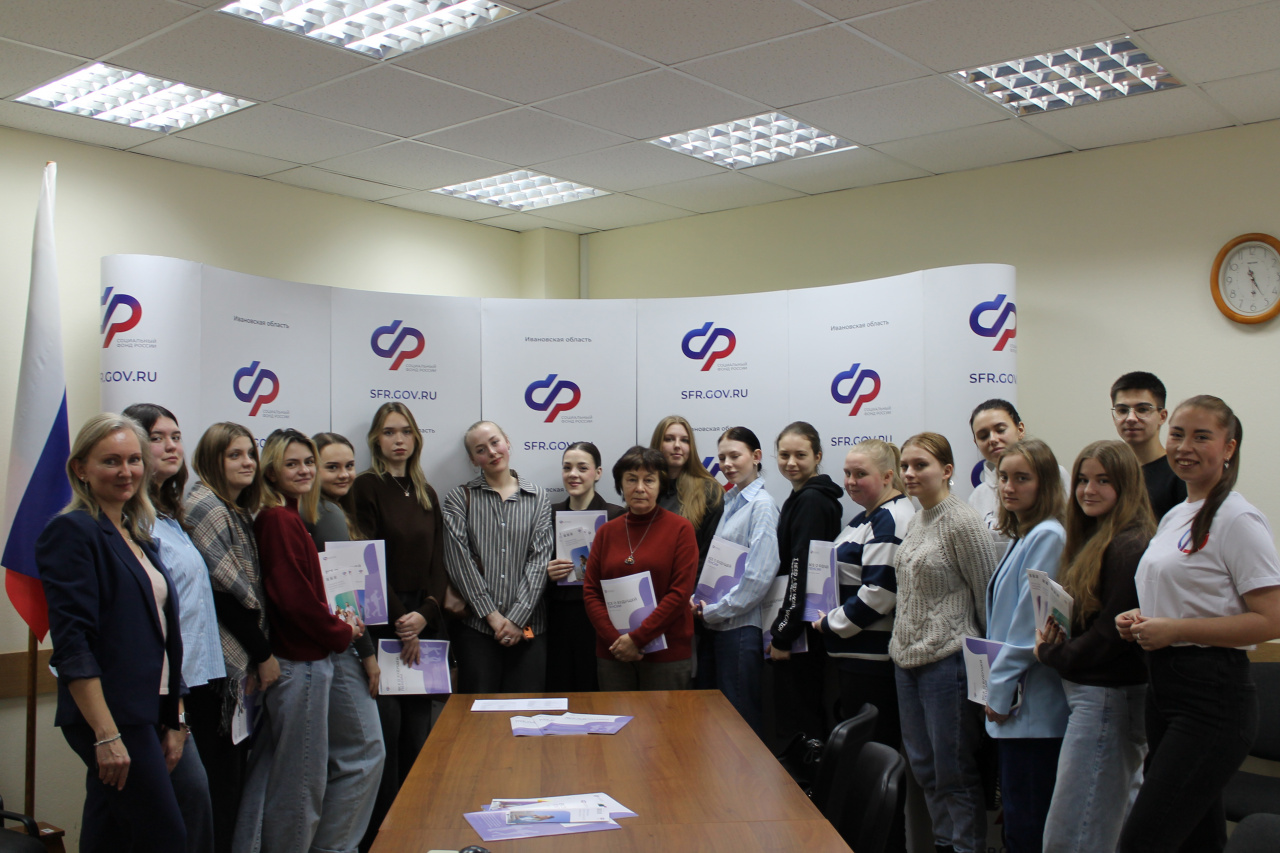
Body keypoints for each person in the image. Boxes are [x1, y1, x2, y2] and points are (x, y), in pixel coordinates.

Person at [1117, 396, 1280, 853]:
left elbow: (1271, 619)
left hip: (1212, 700)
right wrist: (1142, 618)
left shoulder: (1237, 518)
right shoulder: (1176, 514)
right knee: (1195, 842)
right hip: (1165, 689)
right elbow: (1186, 598)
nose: (1184, 446)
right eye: (1178, 434)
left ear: (1229, 448)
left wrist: (1177, 629)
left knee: (1143, 841)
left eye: (1201, 437)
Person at [38, 414, 205, 853]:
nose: (126, 471)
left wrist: (175, 716)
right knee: (164, 836)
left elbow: (164, 634)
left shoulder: (137, 534)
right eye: (110, 461)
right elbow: (73, 645)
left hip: (154, 707)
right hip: (114, 714)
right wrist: (106, 735)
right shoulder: (72, 532)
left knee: (110, 831)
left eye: (134, 460)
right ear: (81, 468)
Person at [238, 429, 378, 853]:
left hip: (310, 659)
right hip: (300, 662)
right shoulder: (278, 520)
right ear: (271, 471)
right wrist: (340, 632)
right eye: (292, 464)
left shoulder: (289, 516)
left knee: (296, 776)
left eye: (308, 463)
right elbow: (293, 599)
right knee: (301, 783)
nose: (304, 471)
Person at [1036, 440, 1155, 853]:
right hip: (1095, 697)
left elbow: (1109, 638)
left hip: (1107, 699)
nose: (1088, 490)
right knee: (1100, 826)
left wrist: (1049, 653)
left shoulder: (1129, 544)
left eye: (1103, 481)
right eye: (1083, 480)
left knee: (1074, 833)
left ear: (1126, 484)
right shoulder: (1098, 536)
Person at [348, 403, 450, 850]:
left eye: (405, 431)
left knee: (419, 732)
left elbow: (439, 560)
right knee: (386, 734)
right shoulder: (366, 487)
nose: (399, 440)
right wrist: (400, 620)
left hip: (423, 621)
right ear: (376, 439)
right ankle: (383, 836)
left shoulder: (426, 491)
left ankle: (417, 826)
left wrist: (426, 613)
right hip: (383, 622)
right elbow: (366, 558)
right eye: (389, 432)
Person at [891, 432, 997, 853]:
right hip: (906, 661)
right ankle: (943, 843)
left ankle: (966, 846)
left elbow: (987, 597)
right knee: (924, 769)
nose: (910, 473)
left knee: (953, 770)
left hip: (949, 661)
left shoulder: (963, 522)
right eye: (905, 466)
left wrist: (991, 674)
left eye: (921, 465)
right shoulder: (917, 520)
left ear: (947, 470)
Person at [123, 403, 219, 853]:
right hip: (153, 690)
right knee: (177, 806)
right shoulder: (128, 521)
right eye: (157, 437)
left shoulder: (169, 514)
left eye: (176, 436)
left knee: (184, 807)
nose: (170, 446)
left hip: (189, 681)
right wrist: (173, 711)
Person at [184, 422, 275, 853]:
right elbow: (222, 595)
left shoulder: (236, 509)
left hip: (237, 662)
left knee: (232, 780)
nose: (247, 462)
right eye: (234, 455)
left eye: (250, 454)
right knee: (219, 784)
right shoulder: (205, 507)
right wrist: (262, 653)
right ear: (211, 460)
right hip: (216, 666)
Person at [984, 438, 1069, 853]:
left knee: (1028, 826)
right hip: (1019, 704)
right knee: (1018, 822)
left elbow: (1026, 628)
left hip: (1033, 707)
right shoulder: (1025, 532)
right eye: (1003, 477)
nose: (1009, 487)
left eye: (1022, 478)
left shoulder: (1048, 535)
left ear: (1045, 483)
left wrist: (997, 691)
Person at [307, 431, 386, 853]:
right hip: (339, 650)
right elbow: (345, 600)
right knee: (365, 754)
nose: (343, 474)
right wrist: (368, 654)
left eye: (349, 466)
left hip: (325, 649)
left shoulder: (327, 510)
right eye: (331, 467)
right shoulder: (325, 513)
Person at [815, 439, 914, 750]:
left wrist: (831, 624)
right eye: (847, 473)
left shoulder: (890, 518)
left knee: (873, 752)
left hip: (872, 663)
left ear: (887, 476)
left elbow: (880, 592)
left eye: (860, 474)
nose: (850, 482)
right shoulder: (867, 516)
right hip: (855, 658)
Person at [443, 421, 553, 693]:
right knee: (478, 712)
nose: (492, 452)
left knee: (527, 712)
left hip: (529, 628)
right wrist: (492, 617)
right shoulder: (458, 498)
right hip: (477, 629)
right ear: (473, 459)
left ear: (507, 442)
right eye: (481, 449)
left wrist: (516, 619)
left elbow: (539, 562)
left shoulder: (538, 498)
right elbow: (459, 563)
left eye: (495, 442)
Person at [582, 446, 697, 690]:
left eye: (649, 480)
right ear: (620, 484)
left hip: (667, 655)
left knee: (666, 717)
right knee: (616, 716)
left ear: (661, 484)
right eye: (632, 479)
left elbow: (679, 594)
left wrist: (637, 638)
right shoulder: (606, 532)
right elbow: (591, 592)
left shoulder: (681, 529)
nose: (640, 488)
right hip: (614, 653)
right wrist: (618, 641)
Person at [692, 427, 779, 737]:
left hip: (739, 628)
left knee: (738, 723)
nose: (727, 464)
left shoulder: (762, 505)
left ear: (756, 457)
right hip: (716, 625)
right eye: (722, 458)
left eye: (734, 456)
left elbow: (759, 575)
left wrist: (715, 610)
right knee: (712, 722)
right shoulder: (730, 502)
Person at [766, 421, 842, 742]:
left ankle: (807, 775)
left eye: (800, 455)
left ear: (817, 456)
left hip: (804, 633)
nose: (791, 462)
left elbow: (801, 568)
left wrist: (784, 634)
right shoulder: (800, 497)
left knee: (800, 718)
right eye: (784, 455)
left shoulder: (811, 500)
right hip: (806, 626)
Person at [545, 441, 625, 692]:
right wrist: (546, 573)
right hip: (558, 617)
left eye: (582, 468)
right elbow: (532, 565)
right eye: (567, 467)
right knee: (559, 686)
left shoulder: (616, 516)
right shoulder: (549, 514)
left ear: (598, 473)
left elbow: (625, 571)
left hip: (600, 618)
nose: (573, 474)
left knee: (595, 688)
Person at [968, 399, 1069, 554]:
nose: (993, 439)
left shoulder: (1055, 474)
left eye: (1000, 430)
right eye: (983, 436)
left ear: (1020, 429)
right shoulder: (978, 496)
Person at [1110, 371, 1186, 520]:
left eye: (1143, 409)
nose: (1131, 418)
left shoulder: (1179, 473)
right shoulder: (1109, 472)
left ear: (1162, 416)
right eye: (1122, 411)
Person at [650, 415, 724, 568]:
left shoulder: (710, 491)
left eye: (684, 440)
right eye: (669, 439)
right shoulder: (645, 489)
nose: (677, 445)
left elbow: (711, 556)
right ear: (658, 444)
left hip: (691, 580)